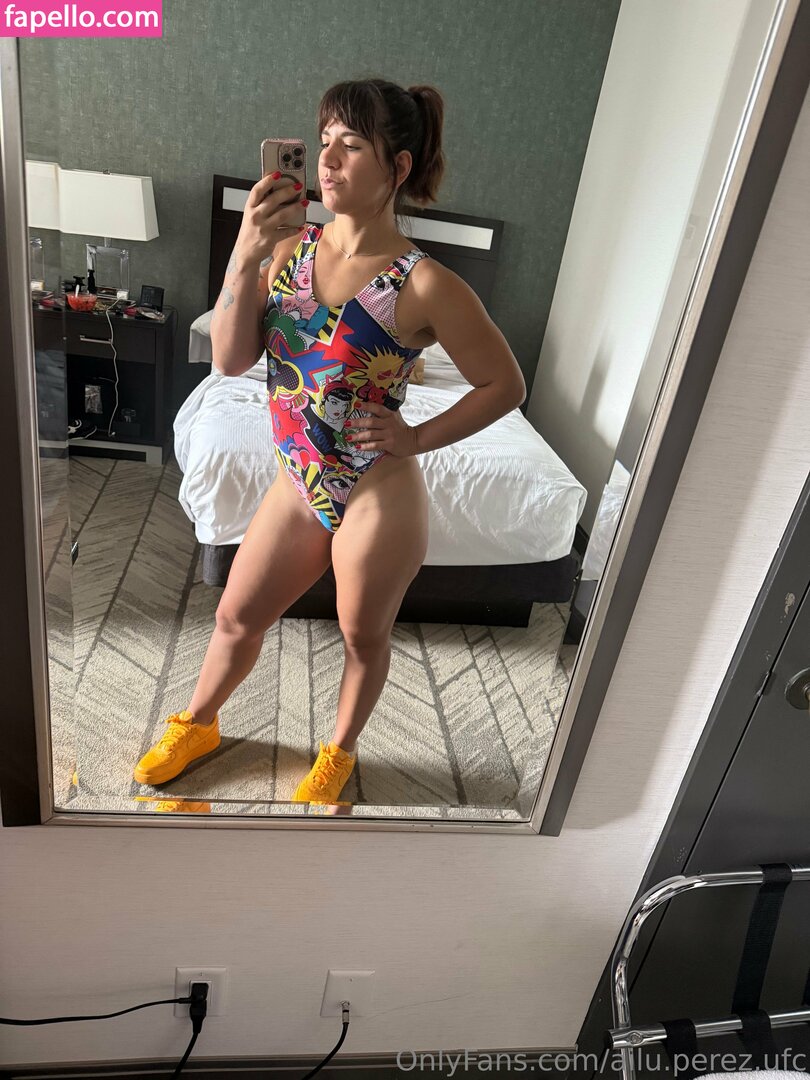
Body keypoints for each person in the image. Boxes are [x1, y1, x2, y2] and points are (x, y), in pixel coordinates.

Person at [134, 77, 526, 810]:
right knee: (235, 616)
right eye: (323, 144)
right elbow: (230, 360)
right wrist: (244, 255)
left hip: (377, 488)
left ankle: (338, 753)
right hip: (299, 477)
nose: (329, 160)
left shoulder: (425, 283)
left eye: (352, 145)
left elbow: (504, 385)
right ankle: (200, 725)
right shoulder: (288, 249)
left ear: (398, 167)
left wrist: (416, 435)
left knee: (361, 638)